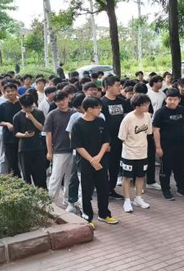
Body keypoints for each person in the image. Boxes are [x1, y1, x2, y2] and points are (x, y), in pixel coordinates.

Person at [71, 97, 118, 228]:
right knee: (86, 191)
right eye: (98, 108)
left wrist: (98, 157)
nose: (100, 110)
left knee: (103, 188)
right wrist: (92, 160)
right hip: (85, 163)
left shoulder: (100, 121)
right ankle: (87, 216)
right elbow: (78, 146)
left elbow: (106, 141)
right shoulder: (77, 125)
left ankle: (104, 214)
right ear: (89, 109)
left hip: (101, 162)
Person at [153, 88, 184, 201]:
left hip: (181, 144)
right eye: (170, 99)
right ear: (166, 99)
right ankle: (166, 189)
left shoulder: (182, 110)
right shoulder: (160, 112)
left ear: (179, 100)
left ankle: (181, 188)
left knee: (180, 168)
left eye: (175, 99)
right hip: (166, 145)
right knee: (166, 169)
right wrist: (158, 147)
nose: (172, 102)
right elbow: (156, 130)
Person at [118, 94, 153, 213]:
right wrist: (131, 146)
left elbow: (148, 133)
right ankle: (127, 200)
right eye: (145, 105)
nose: (147, 107)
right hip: (129, 153)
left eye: (148, 104)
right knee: (127, 177)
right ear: (137, 106)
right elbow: (121, 137)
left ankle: (138, 198)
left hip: (142, 152)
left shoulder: (148, 116)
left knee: (140, 176)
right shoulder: (128, 119)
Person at [101, 76, 132, 200]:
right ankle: (102, 189)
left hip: (121, 139)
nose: (120, 88)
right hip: (107, 141)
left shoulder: (123, 102)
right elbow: (101, 124)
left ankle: (111, 189)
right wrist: (105, 141)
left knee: (115, 166)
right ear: (108, 87)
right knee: (105, 167)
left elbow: (128, 119)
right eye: (117, 85)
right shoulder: (102, 103)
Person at [45, 91, 76, 212]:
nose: (61, 102)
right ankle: (50, 201)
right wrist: (49, 151)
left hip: (74, 150)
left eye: (63, 99)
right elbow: (48, 134)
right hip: (58, 150)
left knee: (70, 178)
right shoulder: (52, 115)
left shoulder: (74, 113)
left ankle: (68, 200)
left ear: (68, 99)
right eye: (58, 100)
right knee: (55, 177)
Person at [13, 94, 46, 188]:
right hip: (24, 148)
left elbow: (42, 128)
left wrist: (32, 118)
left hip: (38, 146)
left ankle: (42, 191)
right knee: (26, 174)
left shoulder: (39, 113)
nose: (27, 109)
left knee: (40, 174)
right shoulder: (17, 116)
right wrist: (24, 135)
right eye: (25, 107)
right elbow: (16, 133)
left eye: (29, 107)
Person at [0, 83, 22, 176]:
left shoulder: (22, 104)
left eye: (12, 91)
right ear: (4, 93)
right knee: (12, 161)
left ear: (16, 91)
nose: (10, 93)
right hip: (9, 137)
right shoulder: (2, 106)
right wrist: (7, 124)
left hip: (23, 136)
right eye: (8, 91)